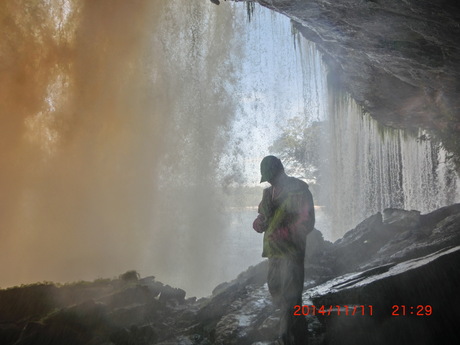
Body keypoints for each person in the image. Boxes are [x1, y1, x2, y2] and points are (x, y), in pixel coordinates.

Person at [253, 155, 315, 345]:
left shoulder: (299, 190)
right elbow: (263, 216)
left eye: (272, 176)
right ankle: (300, 333)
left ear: (281, 171)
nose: (271, 181)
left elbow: (307, 222)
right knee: (276, 290)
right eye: (268, 178)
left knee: (291, 296)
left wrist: (284, 233)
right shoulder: (267, 193)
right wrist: (259, 223)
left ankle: (287, 337)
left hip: (292, 252)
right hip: (273, 253)